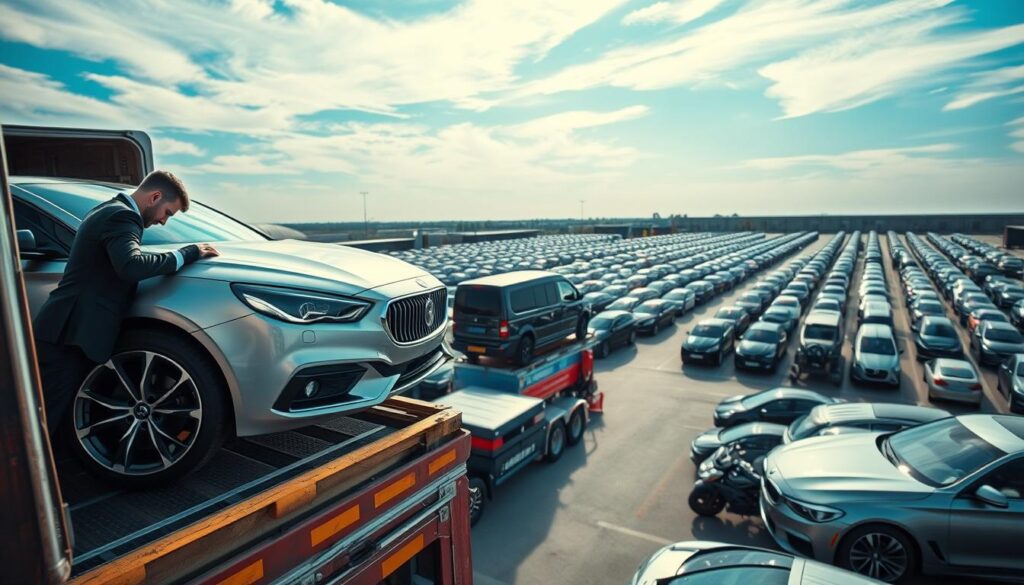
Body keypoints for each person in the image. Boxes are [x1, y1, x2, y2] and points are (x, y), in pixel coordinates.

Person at [32, 170, 219, 439]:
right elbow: (130, 265)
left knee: (49, 413)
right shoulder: (123, 216)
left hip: (65, 329)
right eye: (167, 212)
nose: (164, 221)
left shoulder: (106, 209)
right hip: (69, 333)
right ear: (154, 197)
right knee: (45, 419)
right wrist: (186, 253)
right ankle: (26, 477)